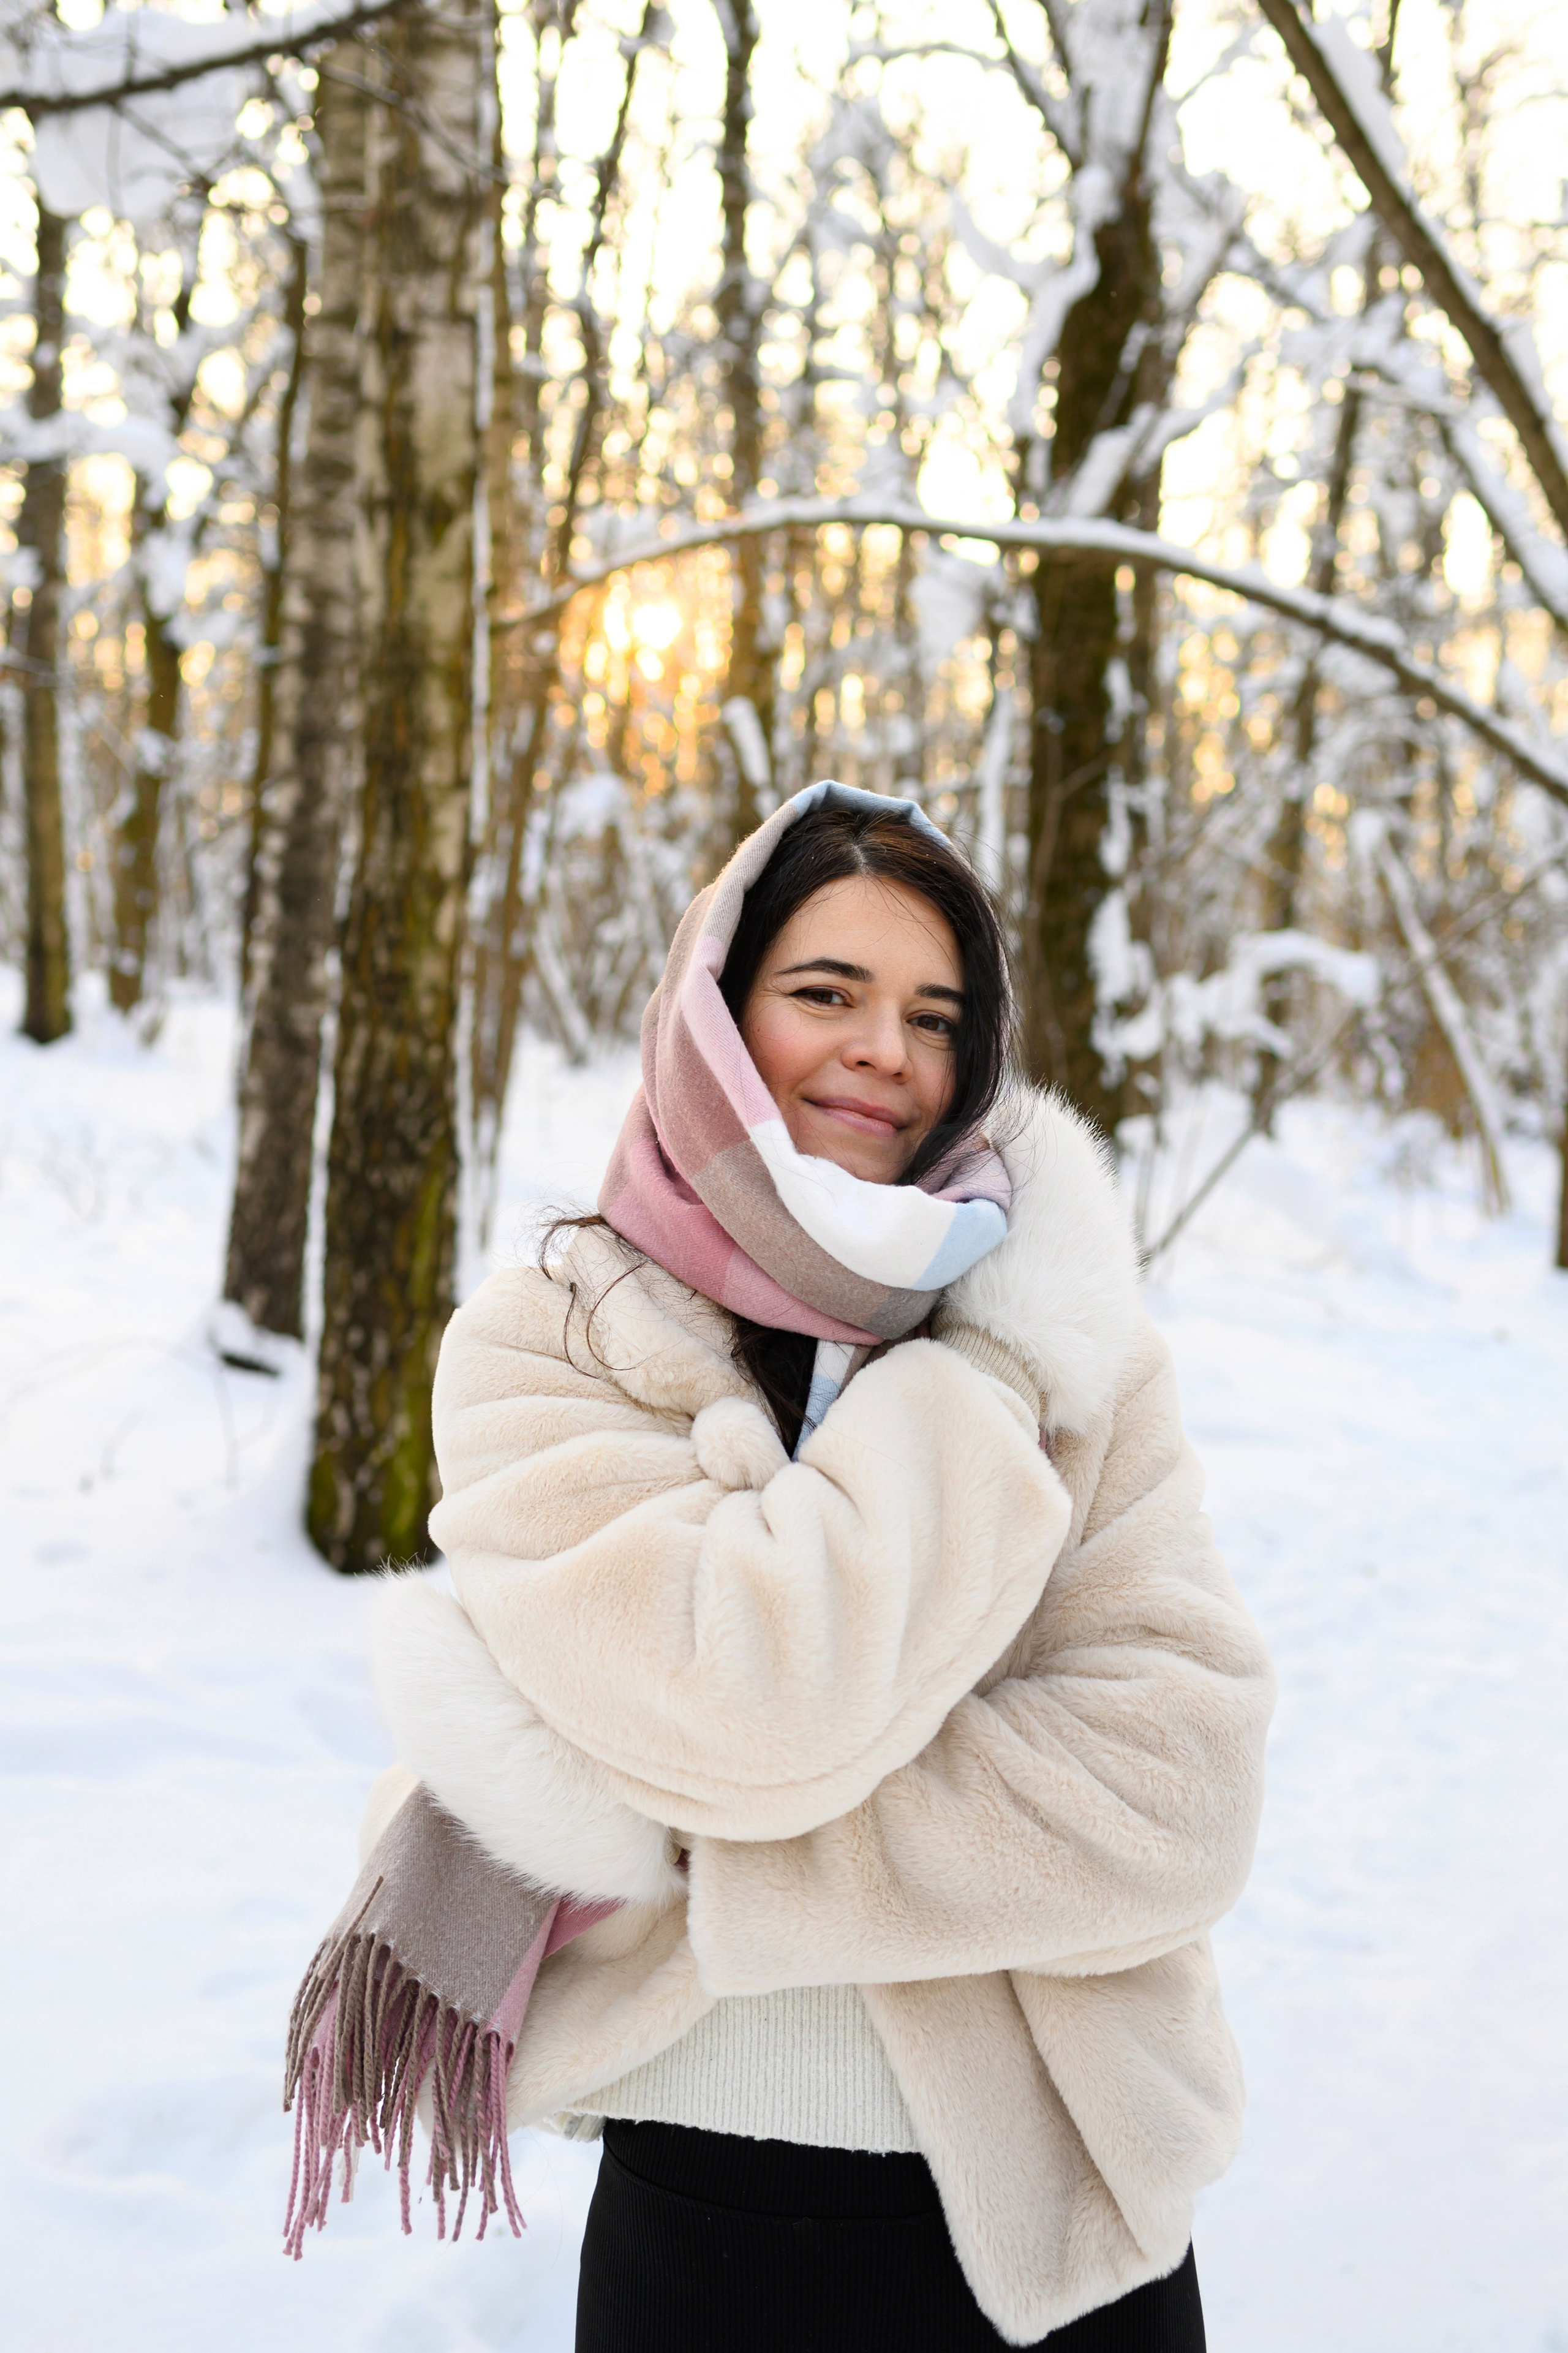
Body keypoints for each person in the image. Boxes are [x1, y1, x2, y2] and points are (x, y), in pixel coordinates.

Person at [365, 781, 1275, 2351]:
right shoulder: (554, 1342)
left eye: (932, 1013)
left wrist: (696, 1841)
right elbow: (754, 1705)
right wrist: (973, 1390)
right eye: (823, 993)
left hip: (1061, 2230)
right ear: (714, 1016)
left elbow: (1181, 1799)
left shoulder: (1076, 1353)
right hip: (708, 2231)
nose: (885, 1051)